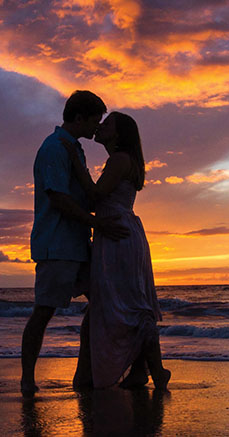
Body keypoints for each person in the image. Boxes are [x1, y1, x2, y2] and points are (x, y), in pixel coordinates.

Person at [21, 90, 128, 397]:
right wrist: (97, 223)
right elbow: (58, 198)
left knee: (103, 303)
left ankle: (87, 371)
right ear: (79, 118)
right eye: (95, 120)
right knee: (44, 311)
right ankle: (27, 379)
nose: (98, 126)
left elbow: (84, 195)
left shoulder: (74, 149)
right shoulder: (55, 148)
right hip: (57, 244)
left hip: (79, 243)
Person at [63, 111, 170, 391]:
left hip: (117, 234)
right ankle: (140, 371)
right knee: (124, 302)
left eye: (107, 123)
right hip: (117, 231)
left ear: (119, 134)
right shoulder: (124, 161)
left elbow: (96, 195)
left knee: (130, 305)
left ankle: (156, 370)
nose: (100, 126)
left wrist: (76, 162)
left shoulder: (120, 160)